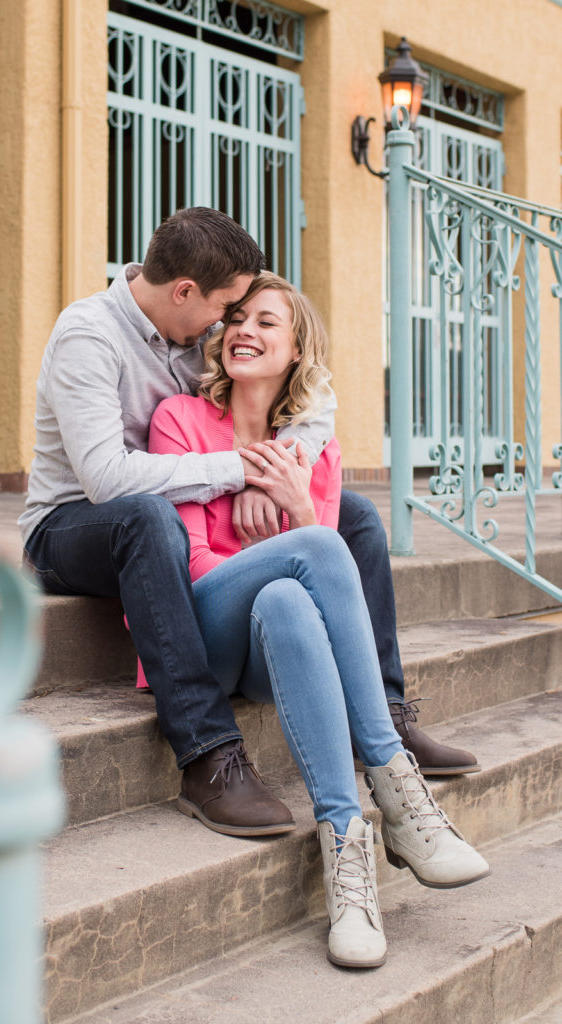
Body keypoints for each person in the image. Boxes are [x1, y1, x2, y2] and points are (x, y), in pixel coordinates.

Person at [147, 271, 489, 968]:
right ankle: (395, 782)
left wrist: (296, 508)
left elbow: (325, 595)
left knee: (288, 597)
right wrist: (267, 514)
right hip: (204, 637)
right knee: (310, 553)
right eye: (237, 317)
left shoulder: (313, 451)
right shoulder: (179, 421)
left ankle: (347, 852)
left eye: (267, 322)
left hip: (280, 647)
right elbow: (187, 569)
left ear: (298, 347)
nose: (245, 330)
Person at [20, 207, 339, 838]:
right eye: (223, 308)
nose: (227, 325)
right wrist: (238, 469)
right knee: (146, 518)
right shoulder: (89, 334)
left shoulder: (193, 337)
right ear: (184, 292)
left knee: (348, 511)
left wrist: (275, 469)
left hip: (165, 515)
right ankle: (206, 754)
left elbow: (314, 396)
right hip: (66, 530)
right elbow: (107, 481)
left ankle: (386, 705)